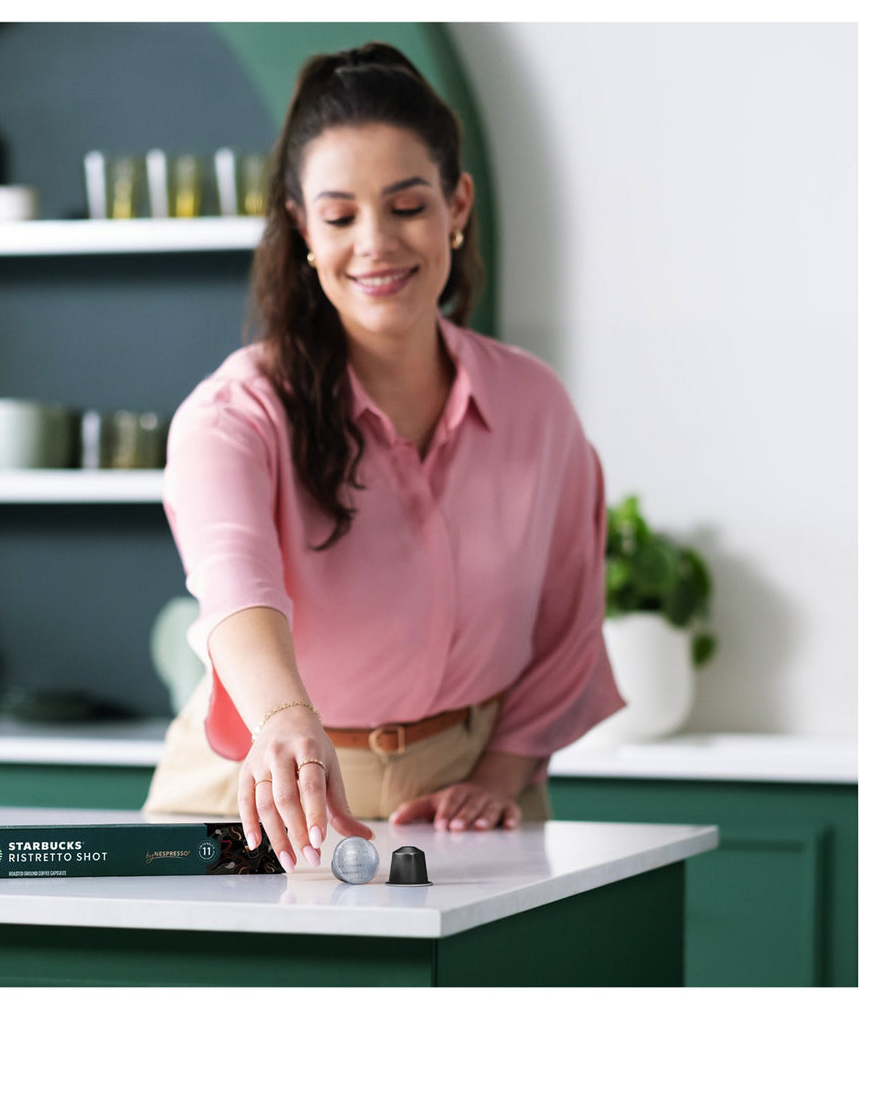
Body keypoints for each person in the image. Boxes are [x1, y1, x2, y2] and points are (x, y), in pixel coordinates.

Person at [143, 42, 624, 872]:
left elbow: (567, 619)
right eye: (339, 216)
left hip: (470, 797)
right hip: (263, 786)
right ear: (302, 226)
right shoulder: (236, 416)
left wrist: (506, 771)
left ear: (456, 204)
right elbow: (234, 589)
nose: (376, 243)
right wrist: (287, 720)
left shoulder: (535, 408)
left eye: (407, 206)